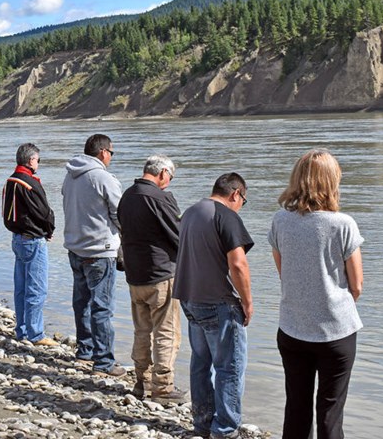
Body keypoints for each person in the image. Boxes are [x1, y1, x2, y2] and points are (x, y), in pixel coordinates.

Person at [269, 150, 364, 439]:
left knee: (296, 407)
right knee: (330, 412)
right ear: (332, 181)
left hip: (292, 328)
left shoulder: (280, 221)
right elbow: (357, 285)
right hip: (336, 331)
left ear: (297, 179)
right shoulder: (343, 224)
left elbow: (284, 272)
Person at [174, 173, 254, 439]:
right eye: (243, 199)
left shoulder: (191, 212)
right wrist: (247, 301)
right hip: (219, 302)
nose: (241, 204)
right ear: (235, 193)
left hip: (189, 297)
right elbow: (238, 264)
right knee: (229, 367)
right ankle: (226, 429)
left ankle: (203, 423)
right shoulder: (226, 216)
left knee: (200, 362)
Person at [117, 154, 184, 401]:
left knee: (142, 330)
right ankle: (163, 387)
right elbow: (178, 235)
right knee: (166, 331)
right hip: (160, 273)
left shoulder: (128, 195)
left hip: (135, 274)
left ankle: (141, 382)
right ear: (163, 173)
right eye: (170, 177)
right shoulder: (160, 197)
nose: (170, 181)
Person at [61, 133, 124, 376]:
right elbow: (120, 213)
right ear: (103, 152)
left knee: (82, 303)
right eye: (112, 153)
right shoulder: (103, 178)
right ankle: (104, 362)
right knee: (102, 307)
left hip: (75, 247)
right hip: (100, 250)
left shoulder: (70, 175)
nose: (111, 157)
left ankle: (84, 352)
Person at [3, 143, 57, 346]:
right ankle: (36, 334)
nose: (38, 163)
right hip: (33, 239)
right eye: (38, 160)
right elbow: (43, 212)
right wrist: (49, 230)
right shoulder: (29, 182)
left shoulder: (11, 180)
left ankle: (22, 329)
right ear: (31, 160)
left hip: (18, 238)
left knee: (21, 287)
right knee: (37, 288)